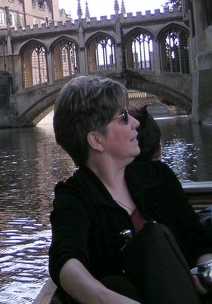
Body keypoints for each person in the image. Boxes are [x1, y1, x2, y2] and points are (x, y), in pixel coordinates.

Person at [48, 75, 212, 303]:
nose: (136, 123)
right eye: (124, 117)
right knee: (117, 284)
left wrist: (207, 271)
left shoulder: (159, 177)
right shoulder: (75, 197)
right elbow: (65, 259)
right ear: (96, 140)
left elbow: (197, 242)